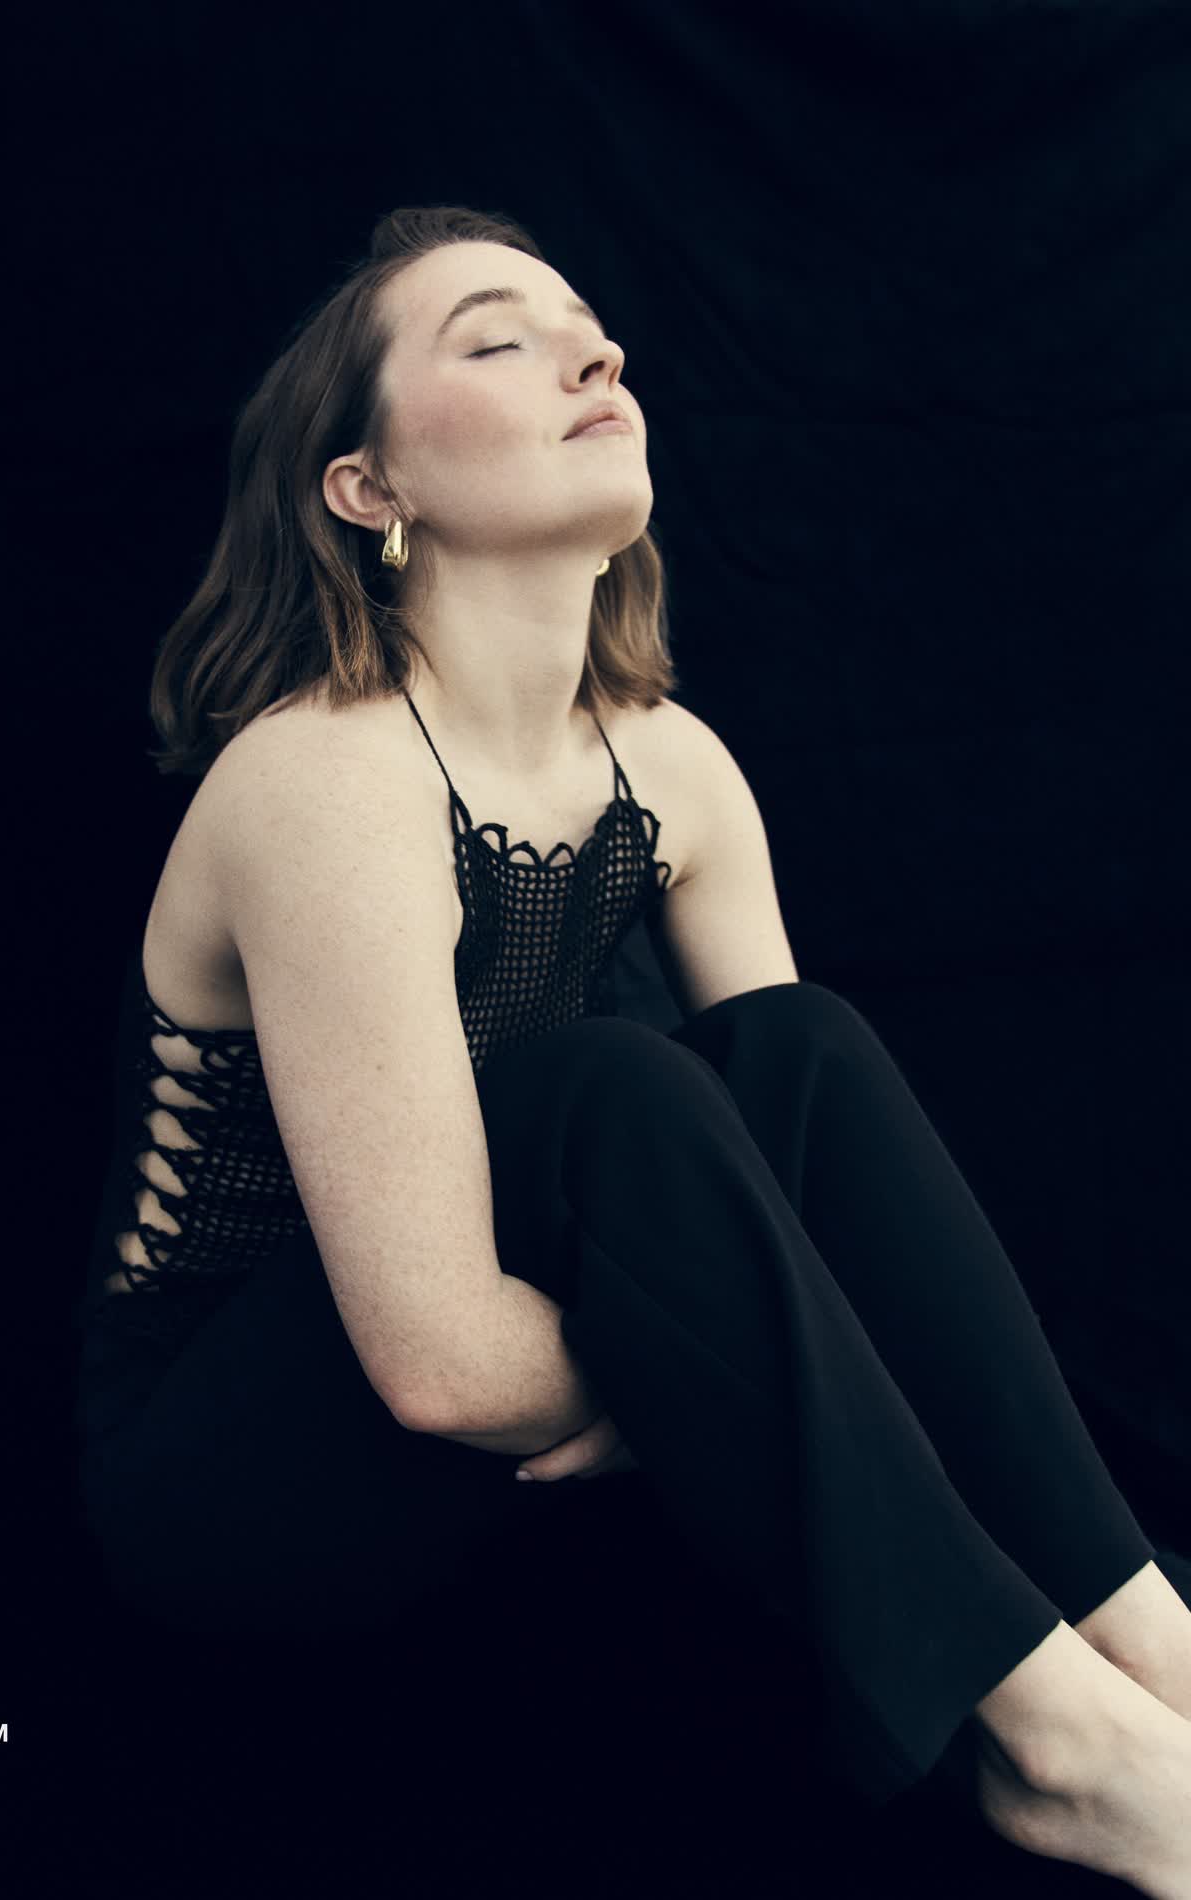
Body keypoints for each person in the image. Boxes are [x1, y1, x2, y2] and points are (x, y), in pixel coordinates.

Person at [72, 204, 1191, 1889]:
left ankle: (1156, 1651)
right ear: (368, 489)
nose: (595, 354)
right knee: (605, 1079)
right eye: (495, 339)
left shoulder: (672, 767)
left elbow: (818, 1203)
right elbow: (441, 1368)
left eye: (588, 328)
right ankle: (1058, 1746)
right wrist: (711, 1358)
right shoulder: (326, 780)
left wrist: (742, 1342)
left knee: (797, 1050)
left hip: (531, 1448)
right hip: (234, 1475)